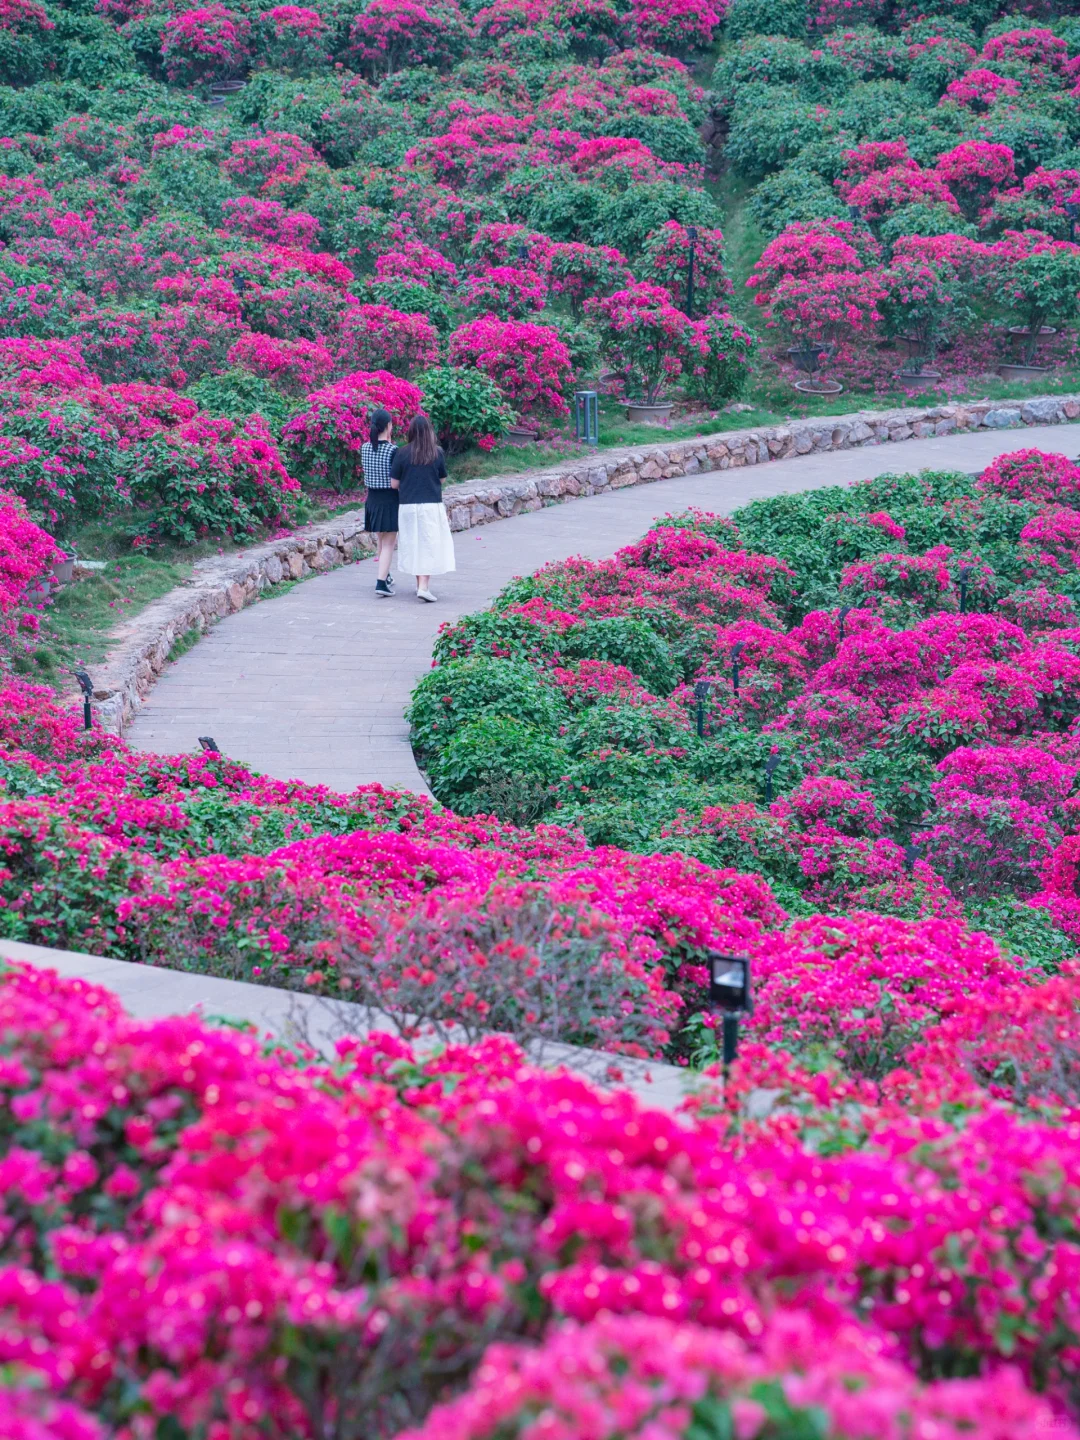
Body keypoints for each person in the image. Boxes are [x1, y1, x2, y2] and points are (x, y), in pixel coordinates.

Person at [390, 413, 456, 602]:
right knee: (428, 544)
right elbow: (442, 478)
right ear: (429, 431)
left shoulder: (402, 453)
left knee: (414, 543)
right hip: (431, 506)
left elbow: (394, 484)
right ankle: (424, 587)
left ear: (411, 431)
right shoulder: (437, 452)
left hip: (408, 506)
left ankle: (420, 585)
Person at [361, 408, 398, 599]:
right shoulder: (393, 450)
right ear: (389, 426)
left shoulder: (365, 448)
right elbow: (396, 479)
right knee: (389, 543)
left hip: (372, 499)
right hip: (389, 500)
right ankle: (381, 582)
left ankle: (386, 574)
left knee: (381, 541)